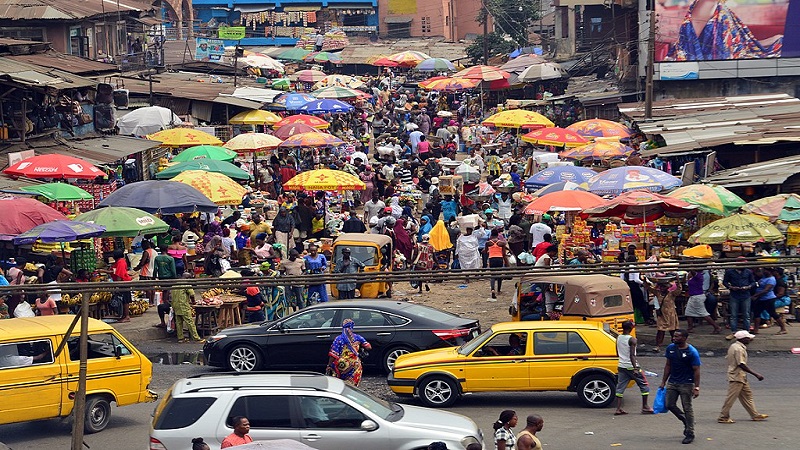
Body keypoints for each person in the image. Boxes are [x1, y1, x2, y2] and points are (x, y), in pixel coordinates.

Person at [717, 330, 769, 424]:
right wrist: (756, 374)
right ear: (743, 339)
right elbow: (741, 364)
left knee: (747, 395)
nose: (750, 339)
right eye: (748, 338)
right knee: (731, 398)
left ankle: (755, 414)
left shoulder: (734, 346)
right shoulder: (739, 349)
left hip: (741, 376)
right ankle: (723, 416)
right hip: (737, 376)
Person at [659, 329, 701, 445]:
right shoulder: (670, 348)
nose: (674, 338)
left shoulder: (692, 352)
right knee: (669, 404)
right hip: (673, 382)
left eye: (677, 337)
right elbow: (668, 365)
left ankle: (690, 432)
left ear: (684, 338)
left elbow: (697, 370)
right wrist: (663, 381)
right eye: (674, 336)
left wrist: (696, 387)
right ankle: (685, 420)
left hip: (686, 384)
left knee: (687, 407)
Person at [615, 320, 653, 415]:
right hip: (631, 366)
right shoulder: (632, 340)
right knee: (644, 385)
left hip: (621, 366)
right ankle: (645, 407)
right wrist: (635, 368)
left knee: (620, 388)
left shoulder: (618, 337)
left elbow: (617, 352)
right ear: (631, 328)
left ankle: (618, 409)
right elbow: (632, 355)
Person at [326, 319, 372, 386]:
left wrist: (329, 365)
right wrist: (359, 344)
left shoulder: (338, 339)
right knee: (352, 385)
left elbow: (333, 354)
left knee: (339, 384)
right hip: (355, 364)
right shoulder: (358, 337)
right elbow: (369, 347)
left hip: (341, 364)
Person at [752, 267, 788, 335]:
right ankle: (755, 330)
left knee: (773, 313)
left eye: (765, 270)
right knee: (756, 313)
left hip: (768, 299)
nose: (764, 271)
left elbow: (766, 290)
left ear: (770, 272)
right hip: (760, 299)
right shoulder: (764, 277)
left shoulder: (771, 279)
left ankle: (783, 328)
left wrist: (755, 295)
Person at [108, 249, 133, 322]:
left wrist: (117, 285)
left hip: (123, 282)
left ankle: (127, 316)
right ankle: (123, 315)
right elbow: (115, 271)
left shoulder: (121, 262)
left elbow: (119, 274)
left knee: (125, 299)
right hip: (122, 282)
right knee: (123, 299)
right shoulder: (119, 261)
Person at [486, 228, 510, 299]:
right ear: (497, 235)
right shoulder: (502, 243)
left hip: (492, 259)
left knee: (492, 275)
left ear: (491, 235)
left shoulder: (488, 243)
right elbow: (504, 254)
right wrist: (506, 263)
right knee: (499, 274)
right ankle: (499, 290)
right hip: (499, 259)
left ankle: (492, 289)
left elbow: (485, 251)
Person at [135, 239, 158, 305]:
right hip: (153, 272)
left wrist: (136, 268)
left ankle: (149, 302)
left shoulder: (146, 252)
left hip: (146, 271)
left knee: (147, 288)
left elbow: (142, 262)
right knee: (152, 287)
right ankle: (152, 301)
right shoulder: (155, 252)